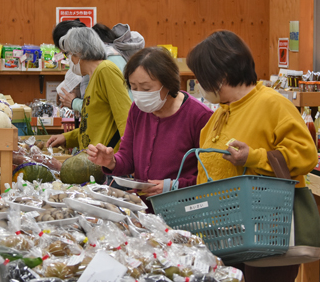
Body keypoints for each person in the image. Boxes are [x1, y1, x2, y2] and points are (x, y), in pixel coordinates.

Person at [186, 30, 318, 282]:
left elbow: (306, 154)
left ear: (222, 75)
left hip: (269, 233)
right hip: (225, 236)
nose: (199, 84)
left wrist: (254, 157)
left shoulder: (272, 103)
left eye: (201, 76)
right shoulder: (218, 114)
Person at [86, 47, 212, 196]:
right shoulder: (137, 110)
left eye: (146, 89)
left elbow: (210, 176)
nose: (139, 95)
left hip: (183, 209)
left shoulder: (200, 116)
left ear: (168, 83)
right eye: (134, 88)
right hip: (145, 210)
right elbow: (128, 158)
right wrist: (111, 161)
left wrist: (173, 186)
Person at [46, 27, 132, 153]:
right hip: (93, 162)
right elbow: (93, 125)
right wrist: (66, 137)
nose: (68, 59)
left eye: (68, 54)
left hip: (107, 162)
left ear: (79, 52)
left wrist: (127, 159)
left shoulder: (105, 70)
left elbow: (125, 118)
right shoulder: (92, 77)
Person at [53, 20, 143, 111]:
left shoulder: (107, 66)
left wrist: (74, 102)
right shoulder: (97, 65)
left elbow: (115, 110)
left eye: (68, 54)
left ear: (78, 49)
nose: (70, 59)